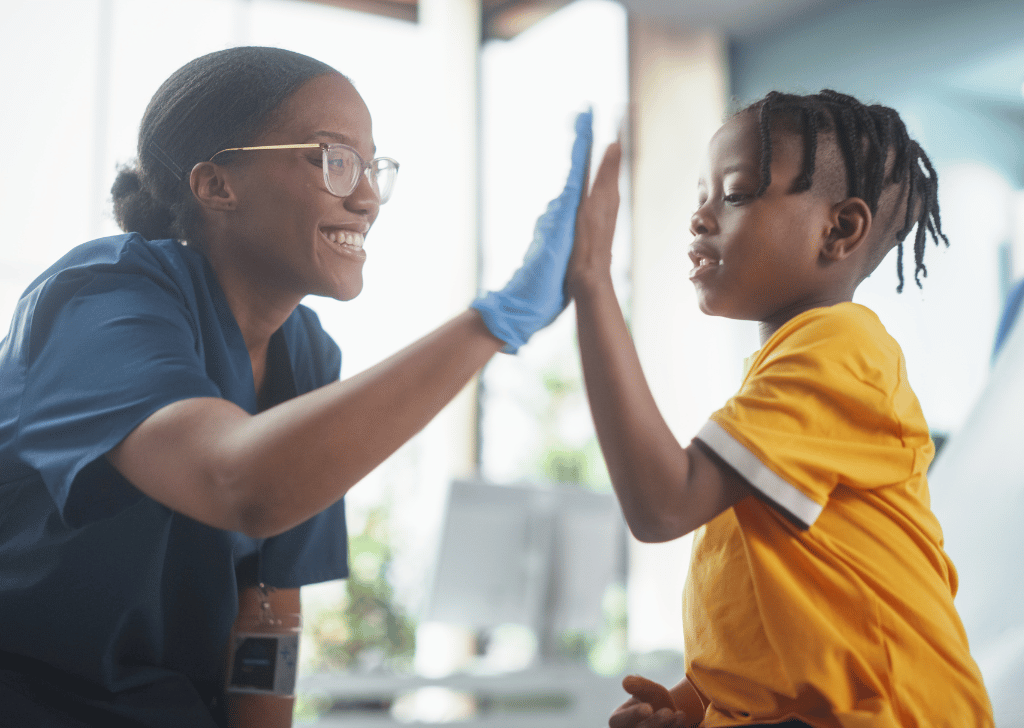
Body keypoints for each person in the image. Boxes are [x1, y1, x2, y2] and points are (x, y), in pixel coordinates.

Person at [0, 46, 592, 728]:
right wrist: (494, 323)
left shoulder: (305, 353)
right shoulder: (100, 298)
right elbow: (240, 483)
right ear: (217, 184)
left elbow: (268, 606)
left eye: (371, 167)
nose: (366, 198)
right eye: (334, 160)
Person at [569, 90, 994, 727]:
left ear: (840, 229)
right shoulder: (783, 383)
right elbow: (784, 620)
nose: (701, 218)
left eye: (735, 195)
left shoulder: (843, 348)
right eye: (702, 196)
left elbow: (663, 504)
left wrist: (592, 281)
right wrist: (694, 705)